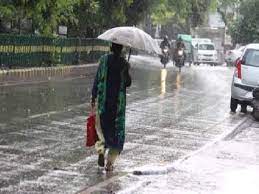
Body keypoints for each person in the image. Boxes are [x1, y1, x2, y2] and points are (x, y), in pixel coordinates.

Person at [91, 42, 132, 171]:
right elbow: (127, 83)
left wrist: (93, 96)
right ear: (122, 50)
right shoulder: (123, 64)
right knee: (116, 134)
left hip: (104, 103)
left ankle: (101, 150)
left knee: (101, 130)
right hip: (117, 106)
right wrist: (127, 70)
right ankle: (109, 164)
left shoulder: (103, 61)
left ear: (111, 47)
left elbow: (97, 79)